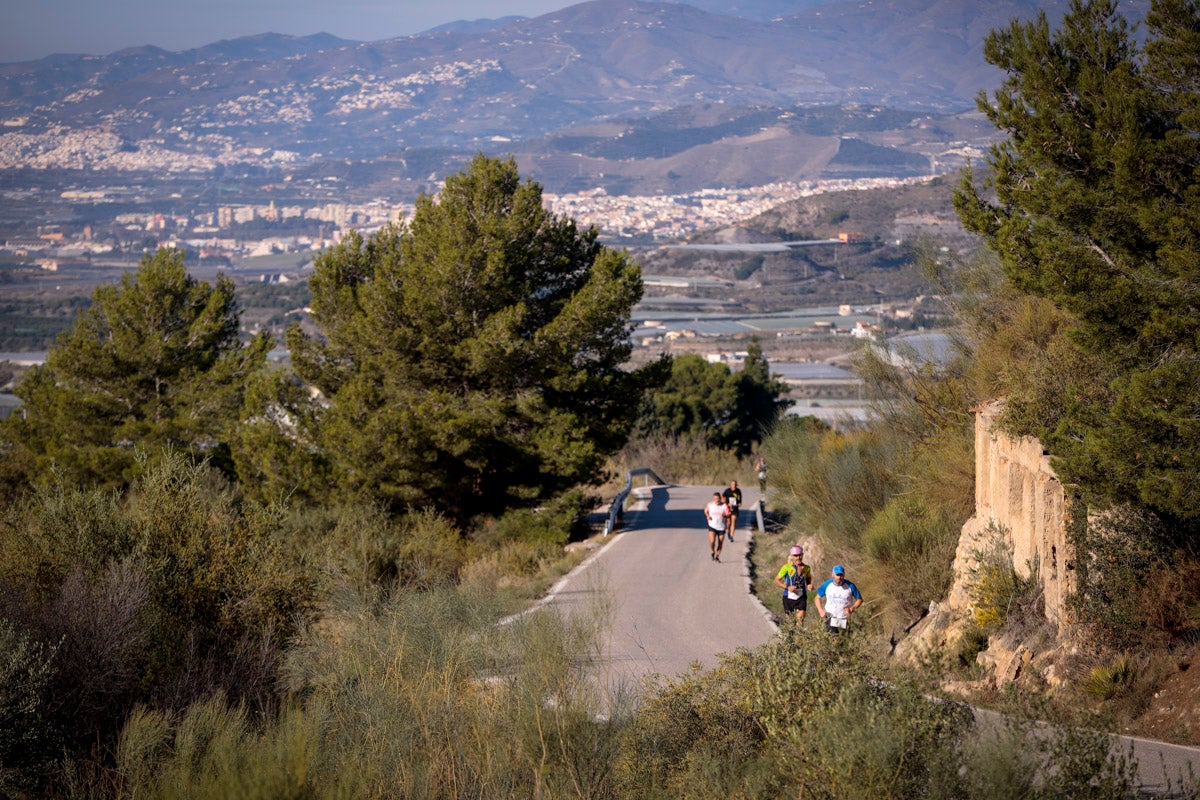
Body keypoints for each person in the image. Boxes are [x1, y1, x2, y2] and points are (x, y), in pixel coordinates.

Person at [815, 564, 862, 634]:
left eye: (841, 575)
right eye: (837, 575)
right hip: (829, 616)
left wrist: (852, 608)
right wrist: (820, 610)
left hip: (843, 617)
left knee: (843, 640)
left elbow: (859, 600)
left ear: (844, 575)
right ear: (832, 575)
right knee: (834, 638)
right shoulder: (827, 584)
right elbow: (817, 598)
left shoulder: (850, 586)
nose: (839, 577)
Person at [773, 545, 813, 627]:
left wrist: (809, 585)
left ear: (802, 555)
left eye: (800, 555)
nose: (798, 558)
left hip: (801, 597)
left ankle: (798, 639)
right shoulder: (786, 567)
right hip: (788, 597)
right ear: (791, 556)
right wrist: (788, 587)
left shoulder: (807, 568)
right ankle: (790, 638)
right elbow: (776, 581)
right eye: (795, 556)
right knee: (790, 623)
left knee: (800, 621)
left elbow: (808, 578)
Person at [703, 491, 730, 562]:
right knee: (712, 542)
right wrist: (708, 516)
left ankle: (717, 557)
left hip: (721, 527)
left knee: (720, 543)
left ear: (720, 498)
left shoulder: (724, 506)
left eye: (717, 498)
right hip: (712, 525)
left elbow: (729, 514)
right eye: (715, 499)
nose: (716, 500)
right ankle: (712, 551)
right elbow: (706, 511)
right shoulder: (710, 504)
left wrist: (724, 515)